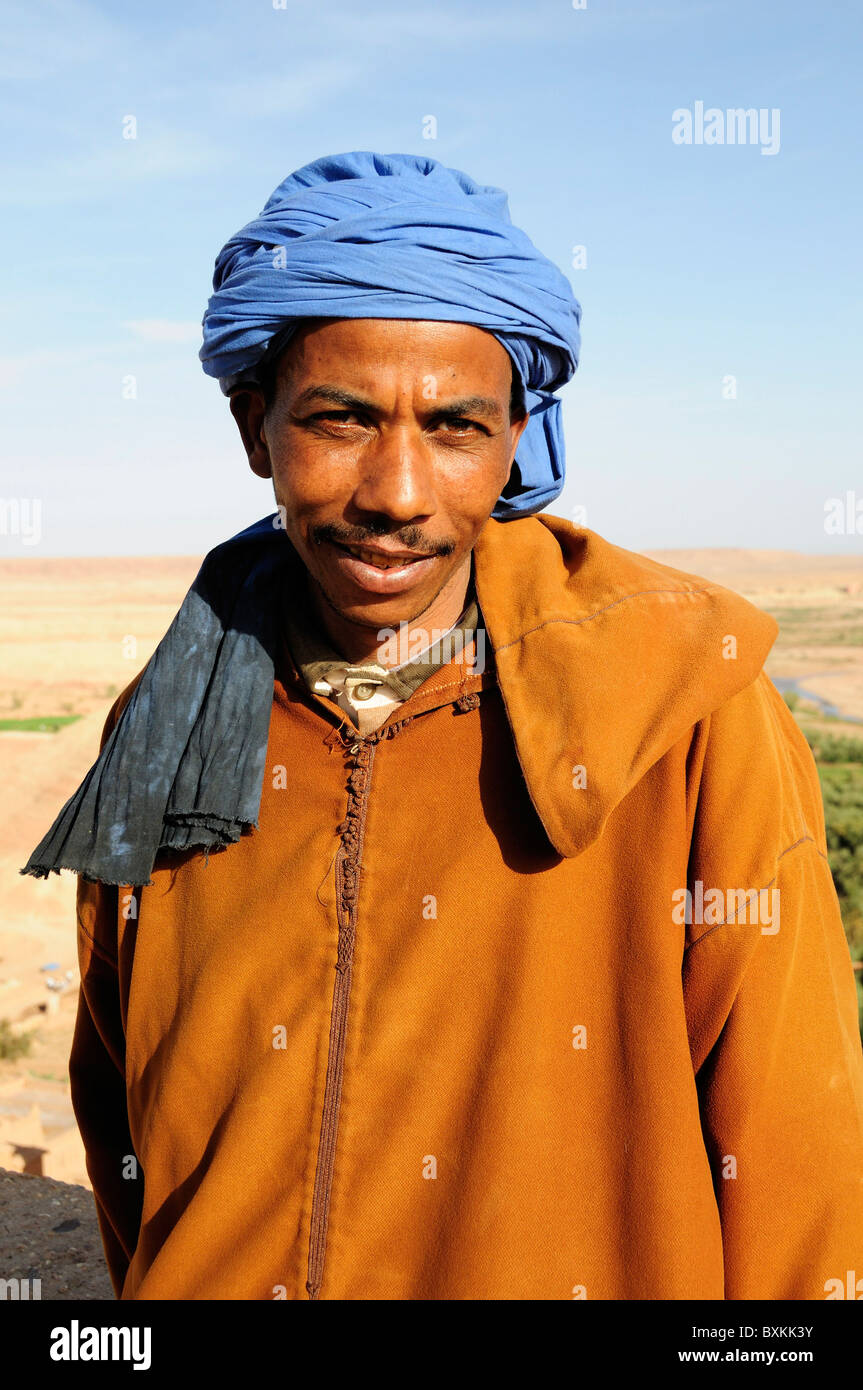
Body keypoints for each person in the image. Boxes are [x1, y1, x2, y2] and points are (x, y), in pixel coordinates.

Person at [22, 152, 863, 1301]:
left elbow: (793, 1151)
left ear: (516, 437)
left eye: (456, 426)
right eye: (341, 419)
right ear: (251, 423)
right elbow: (120, 1106)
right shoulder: (174, 715)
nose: (399, 492)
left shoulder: (684, 710)